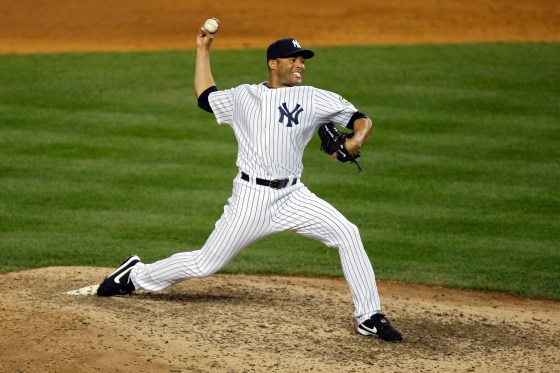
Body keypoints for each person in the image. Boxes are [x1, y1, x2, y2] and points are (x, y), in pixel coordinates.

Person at [97, 20, 403, 343]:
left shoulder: (313, 99)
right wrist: (202, 50)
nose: (301, 65)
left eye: (303, 60)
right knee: (204, 263)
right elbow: (206, 97)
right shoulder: (245, 97)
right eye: (294, 59)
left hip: (294, 196)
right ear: (274, 64)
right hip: (250, 199)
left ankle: (369, 316)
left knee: (347, 232)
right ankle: (134, 275)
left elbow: (361, 119)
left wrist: (355, 141)